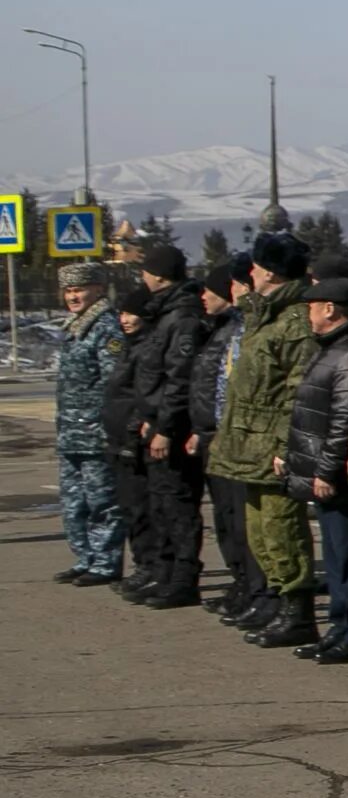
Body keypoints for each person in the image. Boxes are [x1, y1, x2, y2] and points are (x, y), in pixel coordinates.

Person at [213, 232, 319, 647]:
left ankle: (297, 610)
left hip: (271, 446)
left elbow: (297, 391)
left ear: (270, 271)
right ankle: (277, 600)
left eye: (256, 266)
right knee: (260, 530)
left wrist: (283, 446)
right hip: (248, 445)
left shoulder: (293, 321)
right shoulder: (266, 315)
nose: (249, 273)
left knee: (282, 528)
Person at [281, 274, 348, 662]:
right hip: (318, 468)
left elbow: (343, 418)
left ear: (329, 309)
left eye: (311, 306)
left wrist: (327, 470)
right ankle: (339, 628)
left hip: (334, 474)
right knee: (336, 555)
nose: (307, 314)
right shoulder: (328, 348)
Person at [125, 241, 209, 608]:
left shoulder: (183, 318)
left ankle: (183, 578)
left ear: (159, 275)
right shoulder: (165, 313)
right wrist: (147, 417)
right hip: (155, 422)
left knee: (177, 506)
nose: (142, 278)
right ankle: (164, 572)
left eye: (146, 271)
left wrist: (165, 426)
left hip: (171, 429)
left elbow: (179, 378)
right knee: (160, 505)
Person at [187, 266, 262, 617]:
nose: (205, 296)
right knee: (227, 519)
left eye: (213, 289)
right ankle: (242, 585)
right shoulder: (222, 329)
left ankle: (256, 590)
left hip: (238, 439)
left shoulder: (243, 330)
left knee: (244, 521)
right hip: (218, 434)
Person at [52, 263, 126, 586]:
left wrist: (107, 426)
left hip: (95, 432)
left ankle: (105, 562)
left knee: (102, 501)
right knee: (73, 501)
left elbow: (114, 382)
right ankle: (85, 557)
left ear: (98, 288)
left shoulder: (105, 327)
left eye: (79, 289)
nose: (73, 296)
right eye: (68, 291)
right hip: (70, 431)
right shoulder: (74, 326)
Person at [100, 285, 155, 591]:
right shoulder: (129, 345)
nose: (124, 319)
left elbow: (143, 396)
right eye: (121, 312)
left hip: (135, 441)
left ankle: (150, 566)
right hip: (120, 440)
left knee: (143, 509)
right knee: (131, 508)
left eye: (131, 313)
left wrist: (134, 430)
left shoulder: (146, 347)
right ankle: (144, 565)